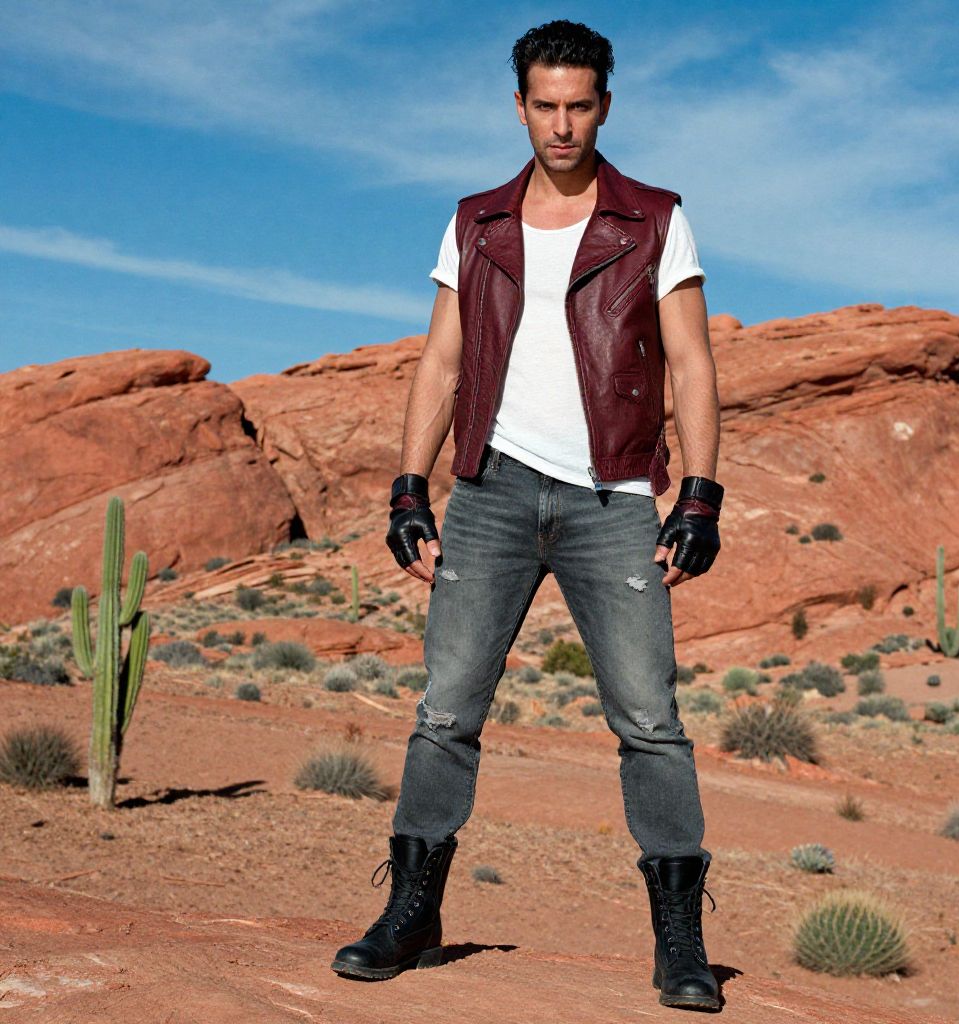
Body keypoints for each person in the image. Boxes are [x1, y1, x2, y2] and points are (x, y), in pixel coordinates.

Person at [332, 19, 724, 1011]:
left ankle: (680, 942)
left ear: (605, 105)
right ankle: (410, 912)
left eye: (579, 106)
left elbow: (689, 362)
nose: (561, 125)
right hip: (492, 492)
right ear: (518, 106)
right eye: (544, 105)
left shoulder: (654, 219)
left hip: (613, 498)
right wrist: (409, 485)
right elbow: (442, 360)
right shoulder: (476, 223)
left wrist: (701, 495)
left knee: (650, 720)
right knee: (446, 710)